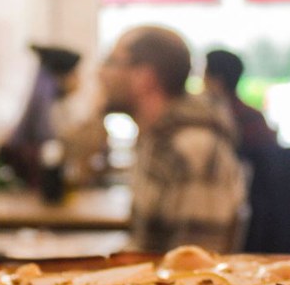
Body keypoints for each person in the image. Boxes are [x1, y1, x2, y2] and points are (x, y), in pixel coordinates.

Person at [101, 26, 245, 253]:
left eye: (112, 62)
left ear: (145, 76)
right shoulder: (156, 138)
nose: (100, 72)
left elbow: (194, 264)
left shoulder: (192, 148)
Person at [204, 49, 290, 253]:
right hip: (270, 223)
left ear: (215, 80)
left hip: (243, 223)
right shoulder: (254, 117)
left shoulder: (215, 122)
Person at [0, 43, 107, 187]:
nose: (79, 80)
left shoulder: (64, 107)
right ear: (61, 78)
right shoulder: (49, 113)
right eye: (75, 74)